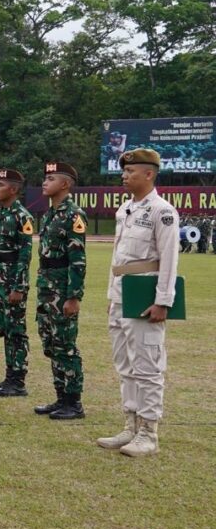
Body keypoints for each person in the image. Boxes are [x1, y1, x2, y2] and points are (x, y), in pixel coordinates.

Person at [97, 148, 179, 457]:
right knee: (125, 365)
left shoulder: (162, 211)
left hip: (145, 295)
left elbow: (169, 259)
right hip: (122, 293)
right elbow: (118, 258)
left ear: (149, 174)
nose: (124, 175)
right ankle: (130, 426)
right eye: (124, 171)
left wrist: (163, 301)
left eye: (130, 171)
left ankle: (148, 432)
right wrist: (111, 296)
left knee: (147, 366)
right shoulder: (126, 209)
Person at [33, 162, 87, 419]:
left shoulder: (73, 215)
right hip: (47, 287)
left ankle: (73, 402)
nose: (45, 182)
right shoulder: (49, 215)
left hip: (62, 290)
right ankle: (60, 397)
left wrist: (73, 296)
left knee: (65, 344)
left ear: (65, 184)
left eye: (51, 178)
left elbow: (78, 260)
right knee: (51, 343)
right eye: (45, 178)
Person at [0, 168, 34, 397]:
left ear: (13, 189)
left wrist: (19, 287)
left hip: (13, 280)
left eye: (1, 185)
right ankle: (9, 376)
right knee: (5, 328)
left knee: (16, 330)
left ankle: (18, 380)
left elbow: (25, 255)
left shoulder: (22, 216)